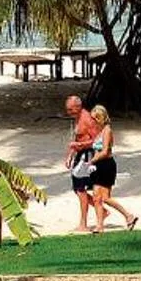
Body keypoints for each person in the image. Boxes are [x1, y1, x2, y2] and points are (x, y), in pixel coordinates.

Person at [87, 104, 137, 232]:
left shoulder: (107, 130)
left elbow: (105, 151)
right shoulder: (99, 132)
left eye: (94, 118)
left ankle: (128, 215)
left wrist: (92, 160)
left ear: (100, 118)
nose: (92, 121)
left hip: (106, 165)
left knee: (105, 198)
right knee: (96, 196)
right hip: (98, 165)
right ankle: (99, 226)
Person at [64, 94, 101, 232]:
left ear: (78, 107)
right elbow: (77, 137)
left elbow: (97, 140)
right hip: (80, 153)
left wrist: (80, 144)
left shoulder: (87, 119)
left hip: (88, 154)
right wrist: (70, 156)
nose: (68, 113)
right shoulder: (77, 118)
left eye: (71, 109)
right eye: (67, 109)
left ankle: (83, 224)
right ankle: (102, 212)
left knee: (81, 189)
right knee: (77, 188)